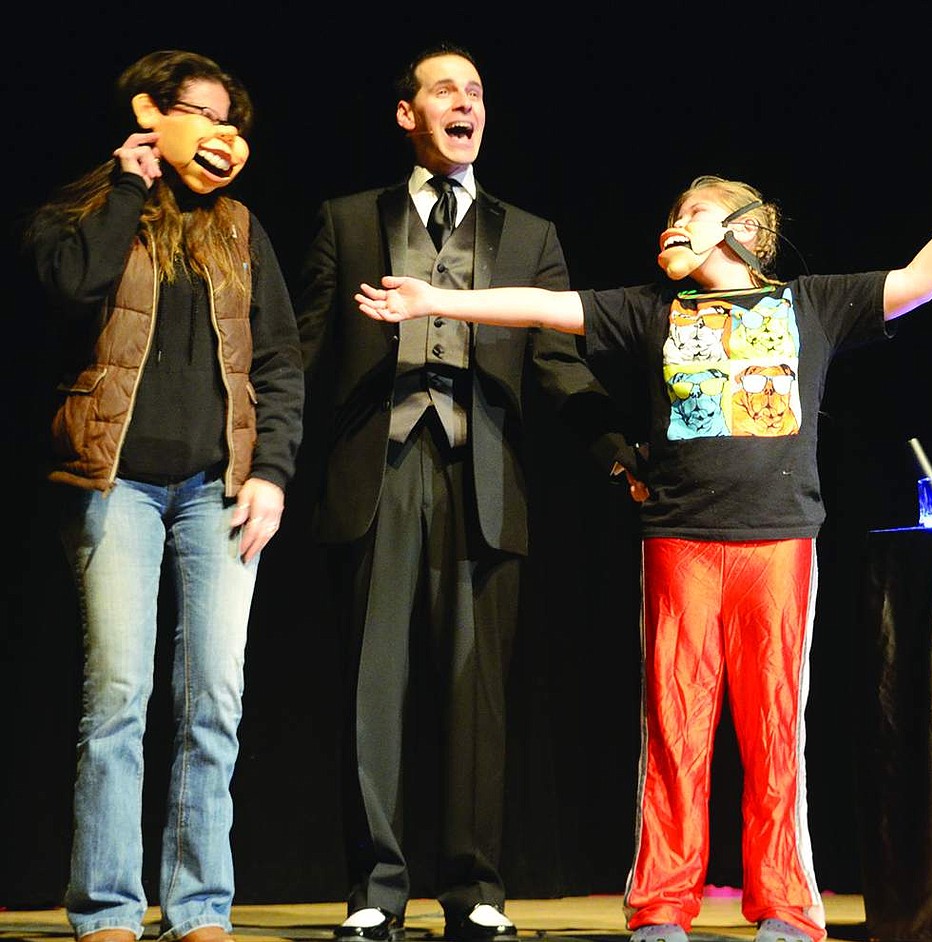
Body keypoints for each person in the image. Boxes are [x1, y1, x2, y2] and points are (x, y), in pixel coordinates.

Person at [354, 126, 932, 942]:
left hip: (778, 543)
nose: (670, 225)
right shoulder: (651, 311)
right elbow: (542, 307)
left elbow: (920, 281)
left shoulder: (809, 303)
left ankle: (787, 905)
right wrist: (435, 301)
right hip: (680, 540)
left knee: (773, 730)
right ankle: (661, 904)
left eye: (690, 212)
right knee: (675, 728)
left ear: (741, 231)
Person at [295, 41, 634, 942]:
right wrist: (262, 459)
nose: (466, 103)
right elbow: (307, 347)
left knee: (475, 692)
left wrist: (612, 446)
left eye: (477, 91)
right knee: (375, 689)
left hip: (484, 477)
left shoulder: (529, 235)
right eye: (446, 89)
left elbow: (560, 364)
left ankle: (474, 886)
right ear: (407, 114)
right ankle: (376, 886)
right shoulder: (348, 220)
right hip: (378, 469)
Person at [26, 49, 304, 942]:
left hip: (216, 489)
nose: (224, 135)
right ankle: (107, 907)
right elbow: (71, 290)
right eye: (206, 113)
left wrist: (271, 473)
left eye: (235, 123)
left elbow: (277, 363)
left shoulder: (241, 229)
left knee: (213, 700)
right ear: (152, 109)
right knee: (118, 696)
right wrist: (124, 186)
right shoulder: (79, 210)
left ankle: (198, 908)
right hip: (116, 484)